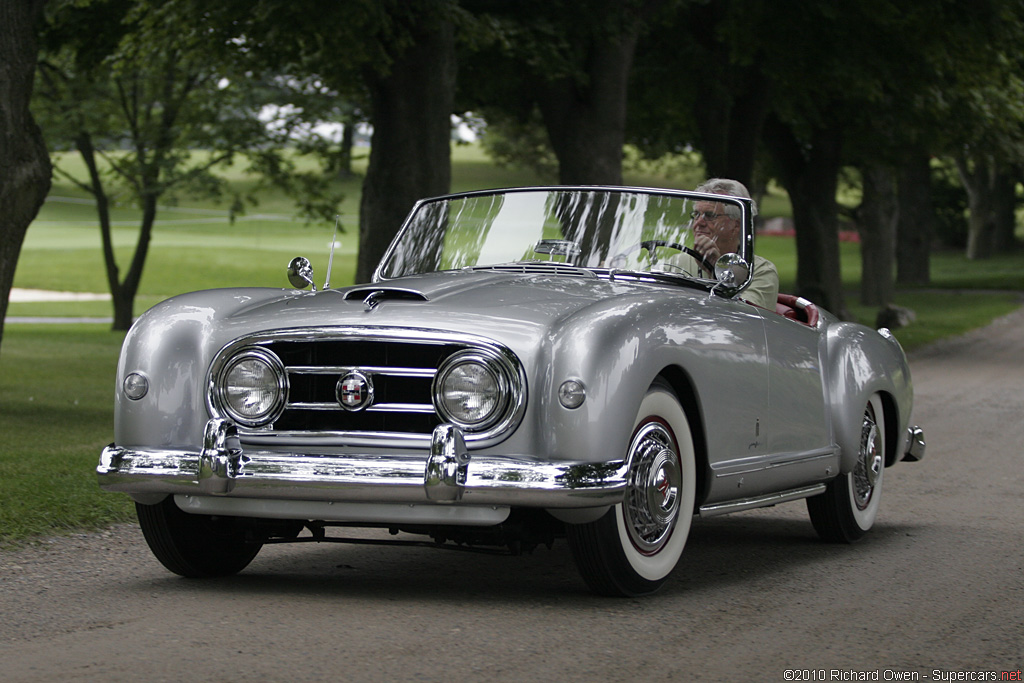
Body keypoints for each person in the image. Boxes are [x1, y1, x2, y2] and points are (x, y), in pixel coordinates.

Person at [690, 178, 779, 310]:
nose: (698, 223)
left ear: (736, 224)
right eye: (696, 214)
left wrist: (715, 270)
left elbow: (740, 317)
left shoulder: (762, 272)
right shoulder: (674, 263)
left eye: (710, 215)